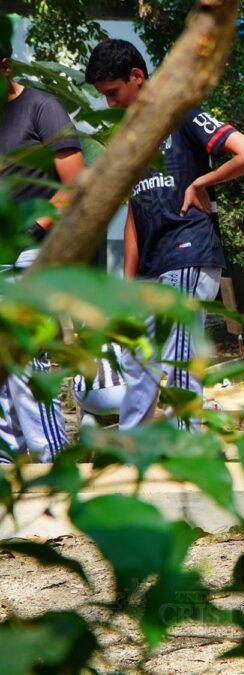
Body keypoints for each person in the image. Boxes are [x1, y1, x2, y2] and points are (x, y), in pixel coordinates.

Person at [85, 39, 244, 430]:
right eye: (104, 95)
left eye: (113, 92)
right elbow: (135, 211)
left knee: (178, 358)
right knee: (138, 360)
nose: (109, 103)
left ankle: (186, 446)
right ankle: (133, 445)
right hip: (151, 267)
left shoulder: (182, 113)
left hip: (188, 253)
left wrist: (202, 181)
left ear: (137, 76)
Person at [0, 43, 85, 461]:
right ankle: (8, 456)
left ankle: (50, 453)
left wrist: (33, 230)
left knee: (24, 353)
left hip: (32, 253)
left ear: (5, 66)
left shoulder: (41, 108)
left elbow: (76, 185)